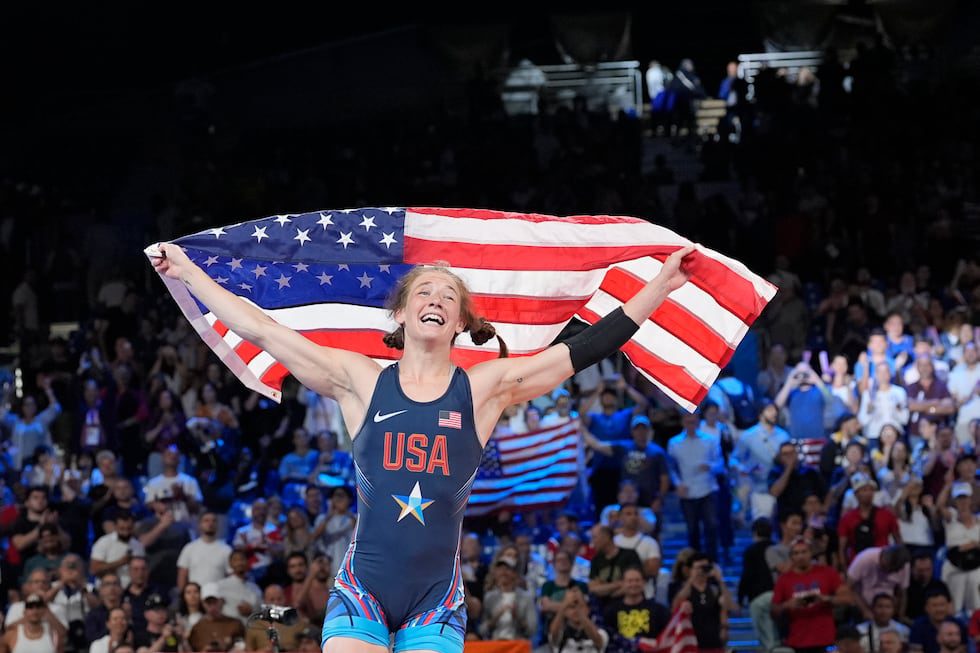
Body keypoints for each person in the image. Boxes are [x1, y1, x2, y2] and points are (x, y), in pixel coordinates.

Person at [151, 240, 695, 653]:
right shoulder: (359, 379)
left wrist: (659, 288)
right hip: (362, 588)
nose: (435, 298)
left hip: (436, 602)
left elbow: (582, 350)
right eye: (424, 292)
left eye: (448, 296)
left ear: (461, 321)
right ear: (403, 314)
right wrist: (189, 272)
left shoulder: (484, 388)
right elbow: (265, 331)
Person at [772, 537, 851, 653]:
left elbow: (848, 599)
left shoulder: (828, 572)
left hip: (827, 639)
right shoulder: (783, 580)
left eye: (804, 552)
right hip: (797, 641)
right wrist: (787, 605)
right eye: (796, 553)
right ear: (791, 557)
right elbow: (773, 611)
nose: (800, 556)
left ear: (811, 553)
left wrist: (826, 599)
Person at [667, 408, 724, 561]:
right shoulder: (674, 443)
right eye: (687, 420)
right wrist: (677, 484)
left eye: (693, 420)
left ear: (698, 420)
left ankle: (712, 561)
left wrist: (710, 467)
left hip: (707, 489)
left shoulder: (710, 440)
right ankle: (695, 562)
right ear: (683, 422)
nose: (691, 423)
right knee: (692, 529)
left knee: (711, 526)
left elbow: (720, 464)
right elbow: (672, 468)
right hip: (687, 491)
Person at [603, 567, 670, 649]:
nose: (634, 584)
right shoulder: (610, 611)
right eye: (630, 581)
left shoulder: (659, 610)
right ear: (623, 583)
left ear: (644, 582)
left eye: (637, 580)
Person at [847, 545, 911, 624]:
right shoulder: (865, 558)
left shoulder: (904, 565)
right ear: (883, 556)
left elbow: (902, 593)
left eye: (893, 570)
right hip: (862, 606)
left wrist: (900, 615)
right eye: (887, 568)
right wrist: (865, 610)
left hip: (889, 609)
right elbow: (850, 587)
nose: (888, 572)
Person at [480, 559, 538, 640]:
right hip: (495, 643)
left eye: (507, 569)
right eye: (500, 569)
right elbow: (482, 630)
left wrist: (517, 617)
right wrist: (494, 619)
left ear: (515, 574)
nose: (503, 572)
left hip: (517, 644)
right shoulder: (489, 597)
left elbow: (532, 630)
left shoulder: (526, 598)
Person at [175, 512, 232, 591]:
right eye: (206, 521)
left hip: (218, 597)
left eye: (214, 521)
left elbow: (230, 576)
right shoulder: (189, 548)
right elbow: (182, 575)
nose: (210, 524)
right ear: (199, 525)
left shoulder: (226, 550)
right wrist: (181, 596)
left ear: (218, 525)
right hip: (195, 597)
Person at [187, 583, 246, 652]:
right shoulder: (197, 628)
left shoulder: (236, 624)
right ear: (202, 603)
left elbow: (245, 647)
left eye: (215, 602)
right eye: (208, 602)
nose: (212, 607)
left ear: (222, 601)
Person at [548, 586, 608, 653]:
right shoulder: (561, 634)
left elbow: (597, 640)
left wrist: (579, 607)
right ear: (565, 612)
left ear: (588, 610)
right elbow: (553, 635)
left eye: (581, 606)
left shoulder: (601, 632)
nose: (575, 611)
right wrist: (564, 604)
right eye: (571, 607)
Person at [1, 592, 66, 653]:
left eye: (38, 606)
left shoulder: (54, 634)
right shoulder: (11, 635)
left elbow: (63, 633)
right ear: (24, 612)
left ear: (44, 610)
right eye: (30, 607)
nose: (35, 611)